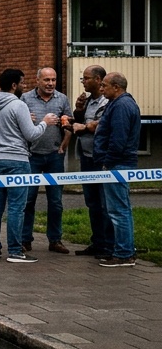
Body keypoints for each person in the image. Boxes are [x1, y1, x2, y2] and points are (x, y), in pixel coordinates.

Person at [0, 68, 57, 263]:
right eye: (22, 83)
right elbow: (31, 135)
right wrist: (44, 123)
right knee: (16, 206)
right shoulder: (18, 105)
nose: (25, 86)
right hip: (18, 160)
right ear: (14, 85)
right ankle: (15, 251)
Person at [20, 67, 73, 255]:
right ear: (37, 81)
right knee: (28, 200)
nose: (50, 84)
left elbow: (69, 125)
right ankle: (25, 240)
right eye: (46, 80)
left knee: (56, 201)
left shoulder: (62, 99)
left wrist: (64, 146)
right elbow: (19, 124)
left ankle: (55, 240)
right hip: (32, 156)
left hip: (54, 156)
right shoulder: (25, 99)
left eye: (53, 80)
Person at [94, 72, 140, 267]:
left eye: (104, 85)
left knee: (118, 210)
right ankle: (123, 250)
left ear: (116, 87)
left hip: (117, 164)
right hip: (117, 162)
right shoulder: (119, 103)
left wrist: (108, 162)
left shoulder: (121, 105)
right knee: (120, 209)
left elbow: (118, 138)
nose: (101, 89)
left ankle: (123, 254)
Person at [71, 65, 112, 259]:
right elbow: (80, 122)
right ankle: (97, 242)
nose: (84, 82)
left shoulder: (107, 102)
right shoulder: (88, 101)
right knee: (92, 203)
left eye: (86, 78)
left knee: (105, 204)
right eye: (83, 79)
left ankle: (108, 245)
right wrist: (79, 110)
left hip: (100, 158)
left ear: (98, 80)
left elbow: (100, 127)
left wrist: (84, 127)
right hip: (86, 156)